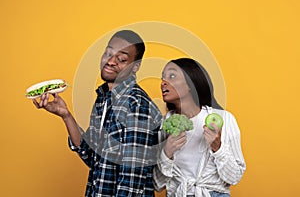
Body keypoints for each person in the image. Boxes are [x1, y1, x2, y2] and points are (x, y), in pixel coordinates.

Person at [33, 30, 162, 196]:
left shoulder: (136, 106)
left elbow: (131, 184)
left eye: (121, 59)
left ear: (135, 67)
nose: (111, 61)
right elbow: (93, 158)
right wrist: (66, 116)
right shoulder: (103, 100)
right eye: (108, 53)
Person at [153, 58, 246, 197]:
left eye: (172, 76)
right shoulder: (163, 126)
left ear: (191, 83)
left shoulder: (223, 119)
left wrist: (217, 147)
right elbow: (157, 185)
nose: (163, 82)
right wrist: (167, 153)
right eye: (163, 77)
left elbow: (235, 177)